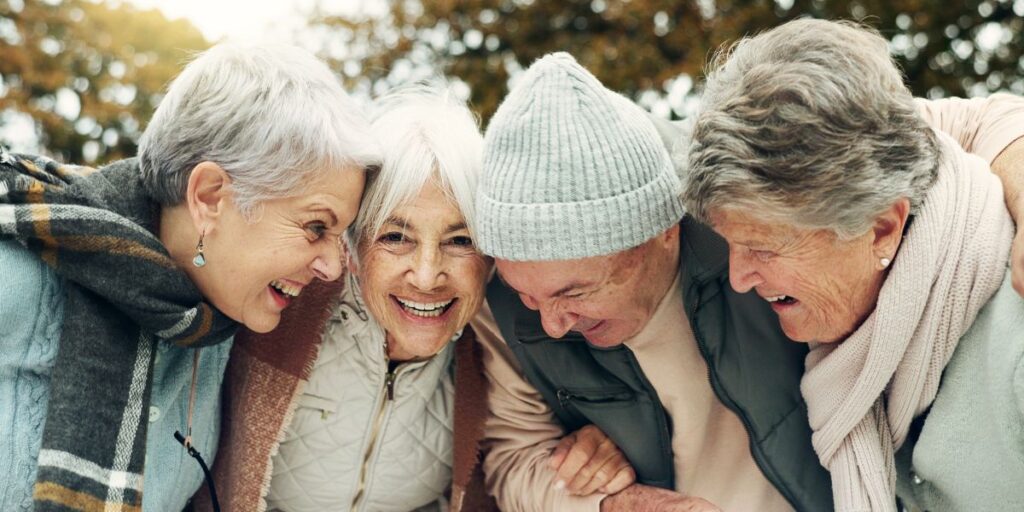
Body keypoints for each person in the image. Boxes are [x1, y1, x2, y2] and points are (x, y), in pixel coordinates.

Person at [470, 51, 1024, 511]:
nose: (549, 324)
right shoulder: (499, 298)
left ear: (663, 231)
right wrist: (607, 501)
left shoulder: (739, 181)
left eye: (575, 292)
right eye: (526, 294)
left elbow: (942, 130)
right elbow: (513, 458)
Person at [192, 84, 635, 512]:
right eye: (396, 237)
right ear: (353, 246)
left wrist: (598, 463)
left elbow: (523, 460)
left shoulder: (501, 338)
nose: (426, 276)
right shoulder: (278, 307)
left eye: (460, 240)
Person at [0, 43, 379, 511]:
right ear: (209, 197)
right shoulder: (17, 276)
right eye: (316, 226)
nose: (332, 267)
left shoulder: (216, 321)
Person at [682, 19, 1024, 512]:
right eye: (731, 245)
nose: (738, 278)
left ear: (881, 229)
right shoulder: (862, 337)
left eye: (764, 248)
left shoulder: (1012, 349)